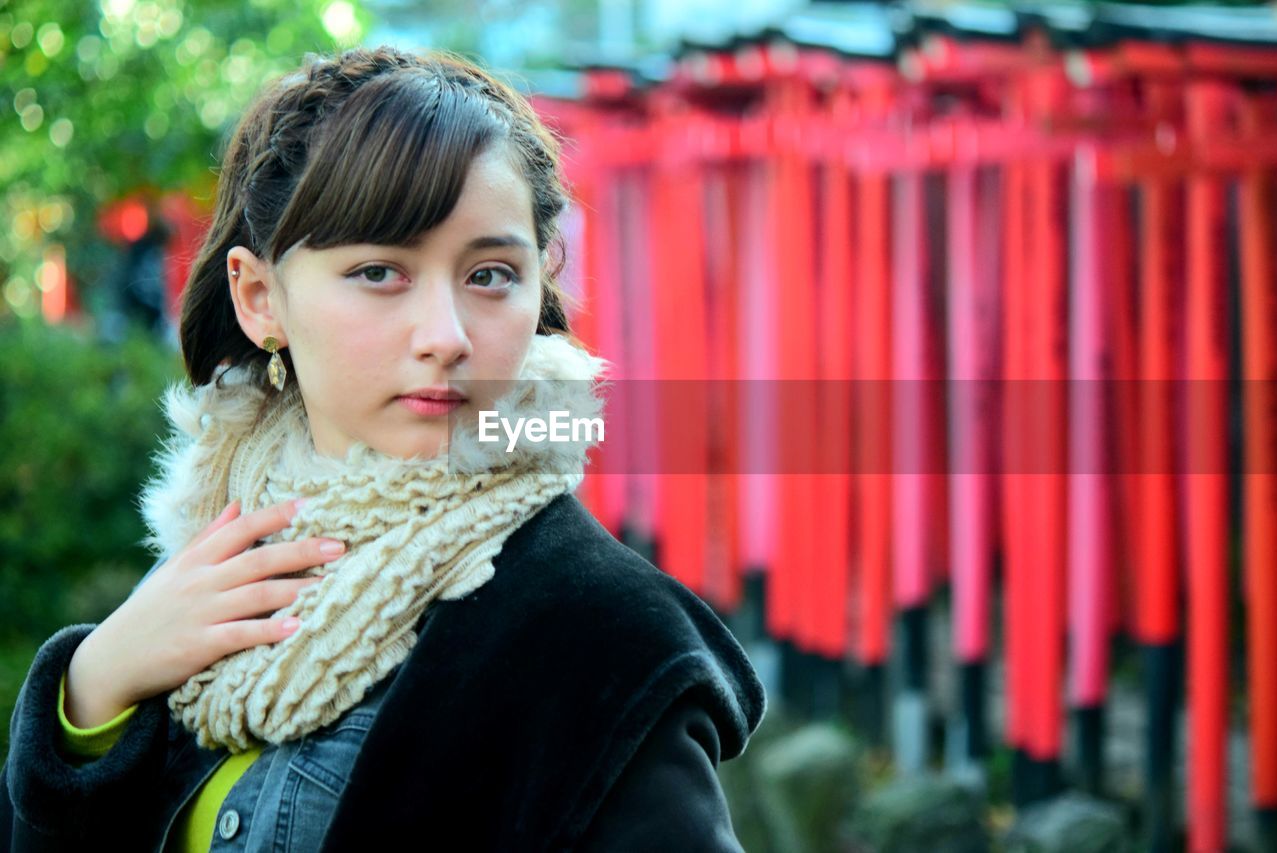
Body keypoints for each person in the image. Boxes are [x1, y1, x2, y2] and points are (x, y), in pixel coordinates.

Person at [0, 45, 766, 851]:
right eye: (379, 272)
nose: (446, 336)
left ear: (543, 280)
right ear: (260, 298)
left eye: (491, 275)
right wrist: (93, 692)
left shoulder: (600, 645)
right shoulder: (213, 563)